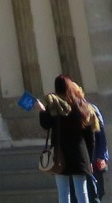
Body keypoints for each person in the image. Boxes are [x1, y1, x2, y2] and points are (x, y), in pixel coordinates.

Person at [38, 73, 99, 203]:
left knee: (64, 194)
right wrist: (89, 158)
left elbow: (46, 124)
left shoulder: (54, 105)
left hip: (60, 154)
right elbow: (90, 135)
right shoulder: (81, 106)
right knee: (82, 192)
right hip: (79, 153)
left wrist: (42, 110)